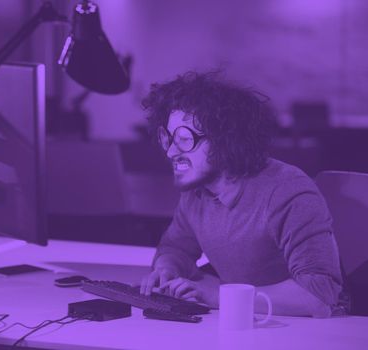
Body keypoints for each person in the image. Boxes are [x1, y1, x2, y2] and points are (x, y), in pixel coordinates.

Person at [139, 71, 343, 317]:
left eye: (185, 139)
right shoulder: (196, 193)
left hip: (306, 330)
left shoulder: (287, 191)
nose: (171, 152)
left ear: (226, 141)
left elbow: (319, 295)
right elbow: (176, 248)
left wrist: (219, 296)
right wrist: (167, 269)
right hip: (244, 322)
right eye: (168, 138)